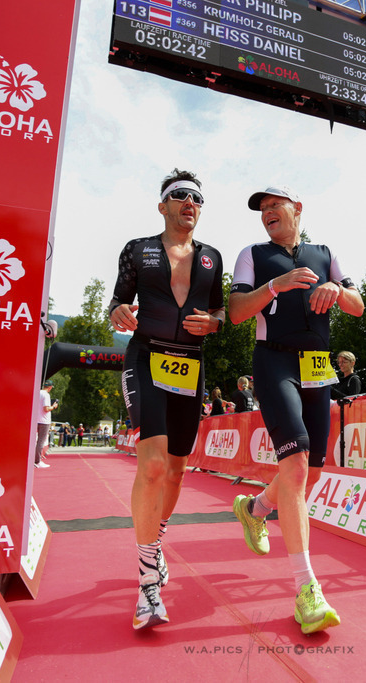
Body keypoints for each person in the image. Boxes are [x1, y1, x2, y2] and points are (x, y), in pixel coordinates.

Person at [228, 184, 364, 634]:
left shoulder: (325, 252)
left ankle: (255, 509)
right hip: (275, 362)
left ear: (296, 209)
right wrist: (276, 285)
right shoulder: (252, 254)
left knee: (313, 471)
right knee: (298, 462)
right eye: (262, 209)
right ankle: (308, 589)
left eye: (274, 205)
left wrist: (333, 288)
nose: (267, 212)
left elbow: (358, 305)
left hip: (317, 365)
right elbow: (236, 312)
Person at [107, 168, 225, 629]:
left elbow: (218, 310)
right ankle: (146, 581)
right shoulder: (138, 250)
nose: (189, 203)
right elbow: (118, 301)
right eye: (179, 196)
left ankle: (155, 538)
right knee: (152, 465)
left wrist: (215, 323)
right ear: (163, 206)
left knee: (176, 470)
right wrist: (116, 310)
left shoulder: (211, 258)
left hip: (189, 366)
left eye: (196, 197)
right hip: (146, 359)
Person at [35, 380, 58, 469]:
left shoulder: (37, 393)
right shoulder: (46, 395)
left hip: (36, 419)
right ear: (50, 387)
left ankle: (34, 459)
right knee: (41, 441)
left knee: (35, 441)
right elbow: (46, 409)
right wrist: (54, 407)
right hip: (44, 421)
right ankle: (37, 461)